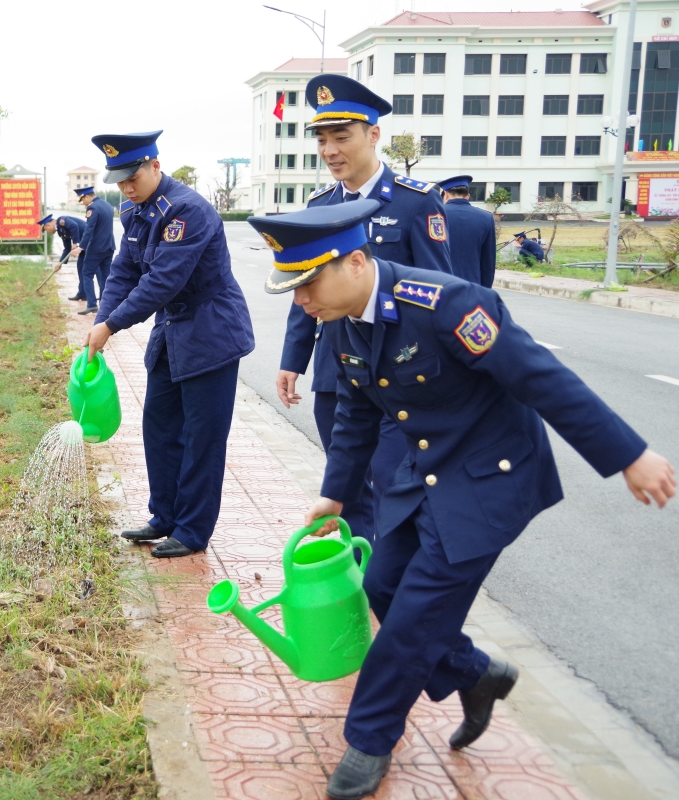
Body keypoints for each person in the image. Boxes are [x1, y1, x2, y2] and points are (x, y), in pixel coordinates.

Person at [247, 200, 675, 800]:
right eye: (291, 288)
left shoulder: (447, 304)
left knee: (416, 618)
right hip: (424, 472)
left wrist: (628, 455)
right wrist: (335, 496)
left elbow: (539, 376)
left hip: (491, 479)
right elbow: (355, 416)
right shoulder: (342, 323)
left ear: (356, 261)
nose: (301, 300)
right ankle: (478, 675)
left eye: (308, 282)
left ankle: (369, 739)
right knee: (381, 588)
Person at [275, 74, 452, 547]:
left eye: (342, 137)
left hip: (402, 375)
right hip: (339, 373)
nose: (331, 150)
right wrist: (295, 360)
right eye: (323, 139)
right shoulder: (319, 205)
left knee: (396, 489)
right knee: (346, 490)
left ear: (373, 135)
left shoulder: (416, 202)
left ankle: (394, 592)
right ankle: (360, 589)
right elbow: (304, 287)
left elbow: (442, 291)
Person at [82, 130, 255, 558]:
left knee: (202, 436)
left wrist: (112, 326)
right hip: (172, 331)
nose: (126, 187)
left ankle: (193, 531)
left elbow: (163, 281)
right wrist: (102, 317)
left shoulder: (187, 212)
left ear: (155, 165)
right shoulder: (134, 209)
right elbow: (124, 268)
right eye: (119, 180)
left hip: (211, 331)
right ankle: (164, 515)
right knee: (159, 425)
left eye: (132, 177)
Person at [439, 176, 497, 288]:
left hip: (441, 287)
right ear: (468, 196)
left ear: (446, 194)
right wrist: (485, 290)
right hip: (473, 286)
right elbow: (488, 261)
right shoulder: (486, 217)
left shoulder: (434, 217)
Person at [74, 186, 116, 315]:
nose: (83, 203)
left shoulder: (92, 208)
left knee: (87, 274)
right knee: (105, 277)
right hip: (109, 247)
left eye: (82, 200)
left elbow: (89, 230)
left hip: (96, 249)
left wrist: (80, 247)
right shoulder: (107, 205)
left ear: (87, 197)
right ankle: (105, 306)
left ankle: (91, 304)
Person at [37, 213, 88, 302]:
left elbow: (74, 226)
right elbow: (67, 248)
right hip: (83, 246)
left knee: (92, 269)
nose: (48, 232)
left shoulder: (61, 221)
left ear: (48, 225)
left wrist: (75, 243)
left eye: (46, 230)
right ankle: (82, 293)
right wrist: (60, 263)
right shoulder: (60, 231)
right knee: (80, 267)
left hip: (91, 241)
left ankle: (101, 296)